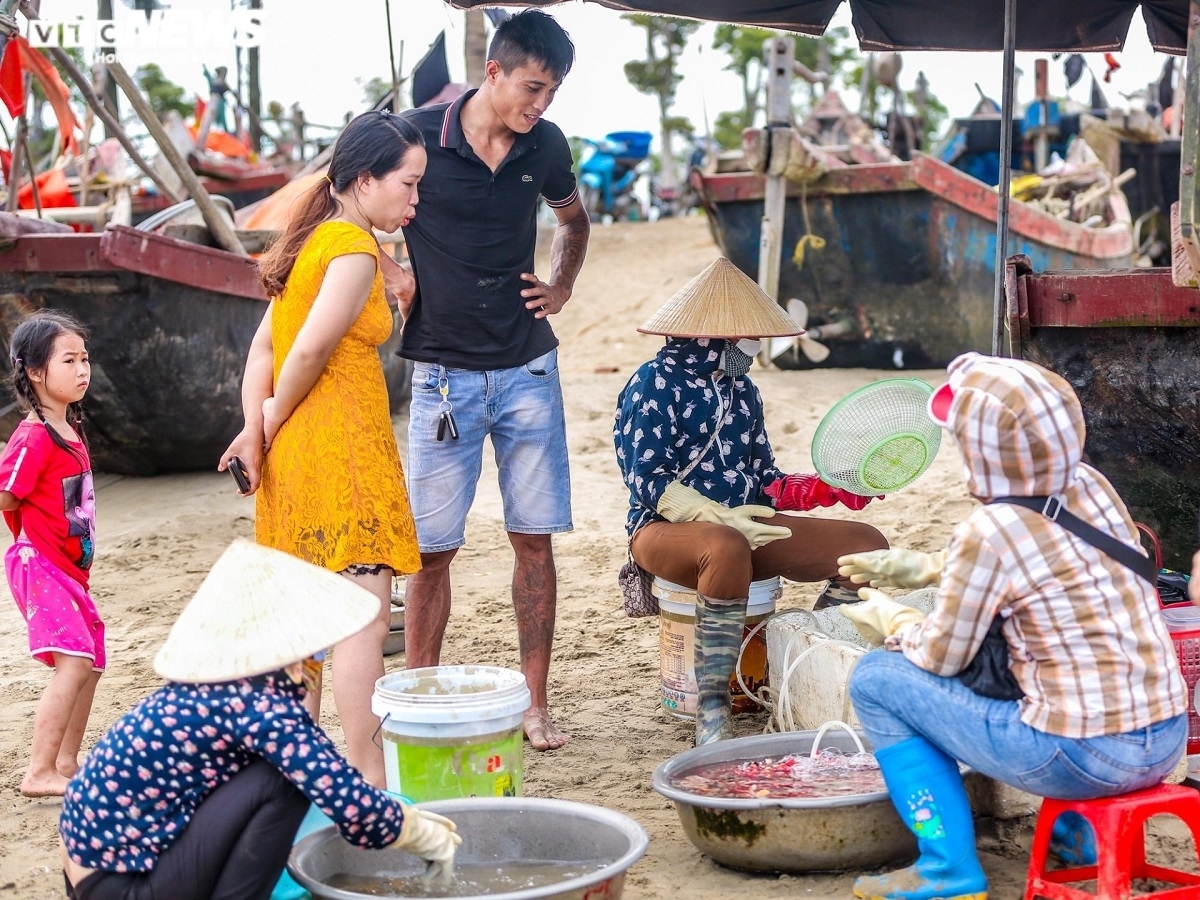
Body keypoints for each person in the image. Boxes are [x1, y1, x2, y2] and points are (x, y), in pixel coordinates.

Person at [838, 352, 1188, 900]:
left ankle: (945, 869)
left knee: (876, 680)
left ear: (979, 451)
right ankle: (1075, 842)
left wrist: (896, 621)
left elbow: (941, 658)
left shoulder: (990, 529)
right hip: (1165, 737)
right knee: (1055, 672)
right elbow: (1056, 577)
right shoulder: (1091, 485)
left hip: (1081, 756)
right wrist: (933, 565)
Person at [393, 9, 590, 752]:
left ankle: (535, 705)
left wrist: (562, 287)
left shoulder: (547, 145)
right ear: (495, 71)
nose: (540, 105)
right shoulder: (414, 136)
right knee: (432, 550)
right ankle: (417, 701)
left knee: (534, 543)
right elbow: (338, 210)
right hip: (442, 372)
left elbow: (575, 222)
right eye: (532, 87)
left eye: (553, 92)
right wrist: (391, 271)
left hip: (528, 369)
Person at [58, 539, 461, 900]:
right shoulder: (259, 707)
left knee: (277, 773)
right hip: (119, 884)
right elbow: (345, 801)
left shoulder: (216, 686)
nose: (317, 659)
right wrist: (417, 832)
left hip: (94, 868)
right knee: (284, 781)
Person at [219, 109, 425, 786]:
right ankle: (366, 773)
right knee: (360, 622)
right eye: (409, 184)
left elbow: (263, 348)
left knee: (303, 631)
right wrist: (270, 422)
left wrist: (256, 427)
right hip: (340, 449)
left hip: (295, 454)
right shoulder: (354, 251)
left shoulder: (310, 242)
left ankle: (296, 777)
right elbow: (305, 349)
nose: (415, 200)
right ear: (365, 180)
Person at [613, 257, 889, 746]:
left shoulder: (743, 391)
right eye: (748, 337)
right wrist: (714, 515)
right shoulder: (653, 383)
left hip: (746, 528)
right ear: (716, 337)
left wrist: (831, 488)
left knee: (866, 545)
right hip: (663, 533)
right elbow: (645, 480)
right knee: (723, 546)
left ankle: (808, 655)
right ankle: (713, 708)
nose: (755, 347)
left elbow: (765, 480)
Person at [0, 310, 100, 798]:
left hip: (69, 570)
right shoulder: (35, 435)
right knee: (75, 662)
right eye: (69, 360)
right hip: (38, 564)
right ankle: (39, 770)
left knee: (92, 660)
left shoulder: (68, 427)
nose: (82, 370)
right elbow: (7, 493)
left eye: (85, 359)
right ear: (36, 372)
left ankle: (65, 760)